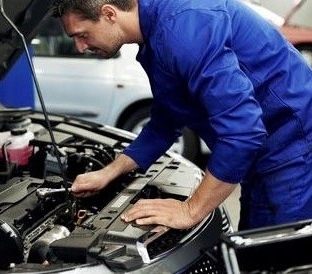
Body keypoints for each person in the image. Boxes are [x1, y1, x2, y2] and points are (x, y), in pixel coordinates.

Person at [50, 0, 312, 231]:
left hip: (294, 146)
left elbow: (243, 133)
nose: (80, 47)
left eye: (82, 35)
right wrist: (108, 173)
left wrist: (190, 210)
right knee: (250, 249)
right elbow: (164, 124)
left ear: (109, 14)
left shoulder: (183, 27)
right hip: (263, 152)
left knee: (276, 256)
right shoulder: (156, 37)